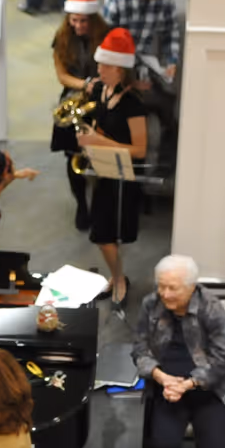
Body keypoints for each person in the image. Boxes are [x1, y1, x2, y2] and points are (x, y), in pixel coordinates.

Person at [131, 256, 225, 448]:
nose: (165, 294)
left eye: (172, 288)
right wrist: (162, 377)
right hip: (167, 386)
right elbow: (139, 348)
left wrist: (187, 384)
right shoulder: (150, 304)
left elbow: (223, 358)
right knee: (164, 446)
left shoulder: (211, 308)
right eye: (161, 286)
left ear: (191, 287)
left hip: (211, 389)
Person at [78, 28, 150, 309]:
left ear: (121, 69)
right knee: (103, 233)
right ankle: (116, 275)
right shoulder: (101, 90)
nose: (99, 69)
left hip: (122, 179)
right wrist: (88, 135)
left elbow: (140, 150)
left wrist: (98, 141)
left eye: (105, 65)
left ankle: (119, 279)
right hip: (103, 173)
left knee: (105, 234)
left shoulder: (133, 105)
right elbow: (100, 125)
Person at [50, 0, 110, 230]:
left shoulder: (106, 36)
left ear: (93, 20)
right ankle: (81, 205)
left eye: (83, 21)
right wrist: (85, 85)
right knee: (73, 155)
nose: (77, 25)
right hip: (77, 94)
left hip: (103, 94)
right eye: (73, 20)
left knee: (102, 154)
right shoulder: (62, 36)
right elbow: (62, 75)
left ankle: (98, 204)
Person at [99, 0, 181, 94]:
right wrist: (128, 80)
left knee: (162, 100)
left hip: (144, 62)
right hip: (116, 61)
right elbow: (103, 36)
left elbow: (170, 33)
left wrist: (171, 61)